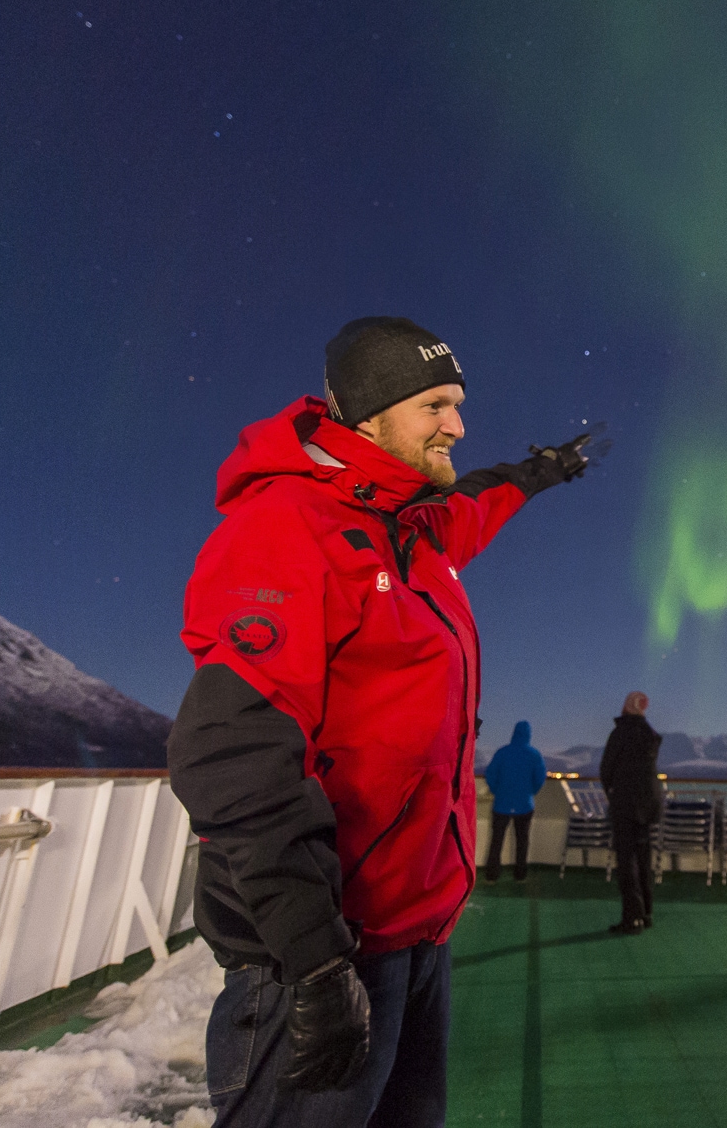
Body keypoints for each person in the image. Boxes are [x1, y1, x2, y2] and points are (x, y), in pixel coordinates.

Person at [168, 316, 591, 1128]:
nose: (458, 425)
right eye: (436, 405)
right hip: (326, 952)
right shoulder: (287, 528)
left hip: (417, 935)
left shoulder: (416, 527)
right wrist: (316, 961)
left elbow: (479, 500)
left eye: (459, 404)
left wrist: (540, 473)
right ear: (369, 415)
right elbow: (230, 754)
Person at [599, 691, 661, 934]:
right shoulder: (650, 735)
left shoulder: (620, 733)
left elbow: (607, 770)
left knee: (627, 862)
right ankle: (645, 912)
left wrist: (614, 794)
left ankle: (632, 918)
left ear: (626, 707)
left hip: (626, 805)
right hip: (648, 806)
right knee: (643, 859)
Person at [483, 722, 547, 882]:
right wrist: (530, 792)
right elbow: (539, 778)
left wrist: (497, 790)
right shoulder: (534, 754)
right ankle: (520, 875)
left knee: (496, 841)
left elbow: (490, 774)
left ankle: (492, 875)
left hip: (501, 804)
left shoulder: (502, 753)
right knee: (522, 840)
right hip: (524, 804)